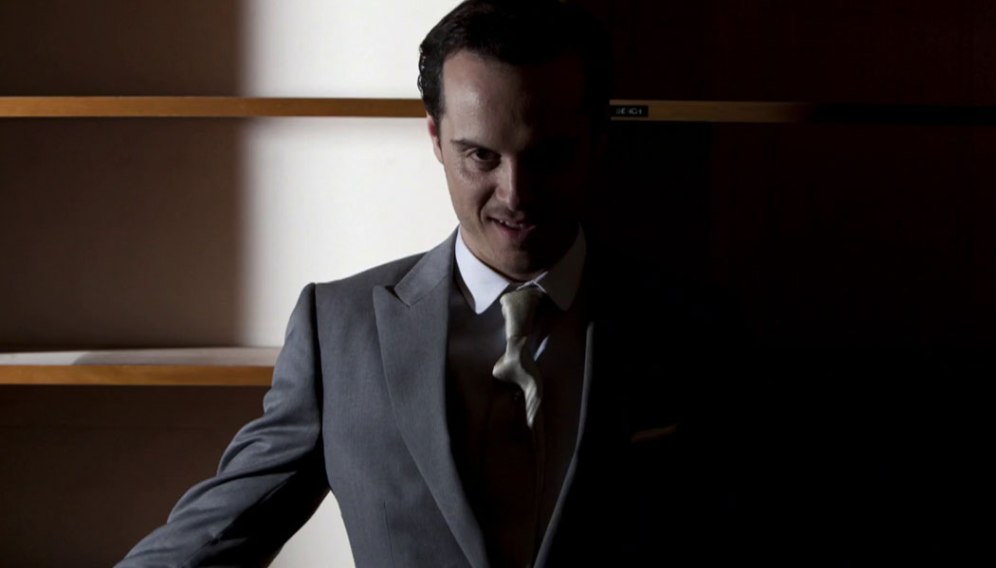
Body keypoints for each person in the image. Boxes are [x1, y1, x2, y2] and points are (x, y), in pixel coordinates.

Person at [116, 1, 745, 566]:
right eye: (481, 156)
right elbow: (218, 535)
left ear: (598, 141)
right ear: (436, 139)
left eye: (548, 156)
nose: (516, 193)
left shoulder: (695, 327)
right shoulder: (337, 330)